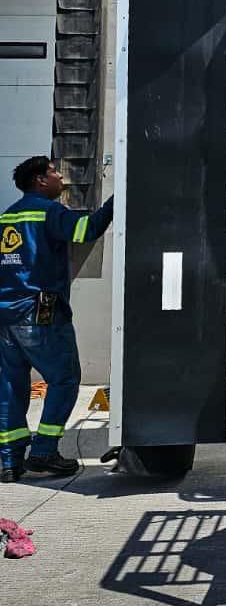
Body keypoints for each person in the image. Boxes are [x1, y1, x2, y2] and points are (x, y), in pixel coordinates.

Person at [0, 157, 114, 483]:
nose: (60, 176)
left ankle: (10, 461)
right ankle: (44, 451)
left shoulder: (6, 216)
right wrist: (115, 202)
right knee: (63, 378)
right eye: (54, 172)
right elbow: (86, 230)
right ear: (39, 180)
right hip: (39, 310)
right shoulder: (48, 212)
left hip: (6, 313)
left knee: (10, 383)